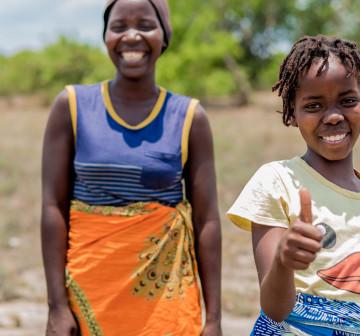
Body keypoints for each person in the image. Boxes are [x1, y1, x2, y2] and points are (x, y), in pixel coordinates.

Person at [41, 0, 222, 335]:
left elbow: (206, 220)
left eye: (145, 24)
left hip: (165, 299)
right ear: (106, 36)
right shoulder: (72, 106)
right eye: (119, 26)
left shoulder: (189, 118)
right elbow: (53, 207)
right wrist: (56, 306)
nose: (132, 36)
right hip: (87, 293)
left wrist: (213, 320)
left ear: (164, 36)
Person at [227, 35, 360, 335]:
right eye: (314, 105)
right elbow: (275, 309)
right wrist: (284, 261)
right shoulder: (277, 181)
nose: (334, 116)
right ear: (292, 114)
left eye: (348, 101)